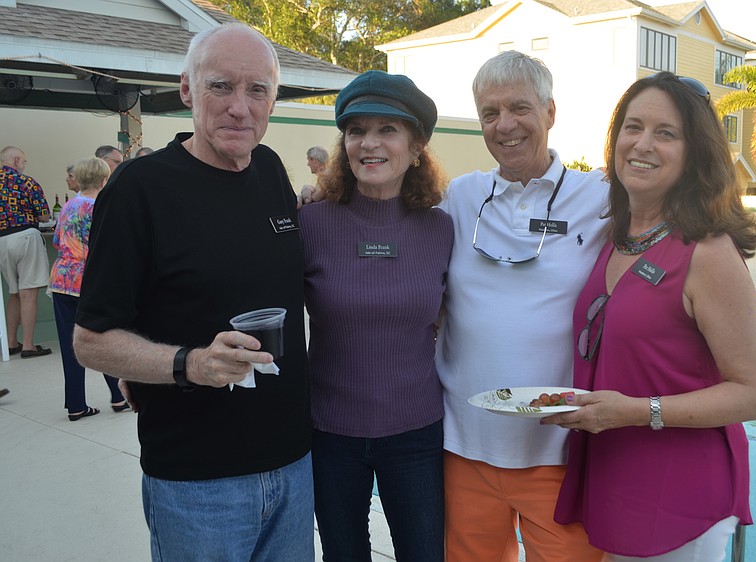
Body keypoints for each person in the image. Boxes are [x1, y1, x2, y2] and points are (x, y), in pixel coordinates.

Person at [73, 23, 314, 561]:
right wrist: (190, 363)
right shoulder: (139, 189)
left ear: (273, 99)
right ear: (187, 89)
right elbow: (91, 340)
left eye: (257, 90)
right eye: (220, 86)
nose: (239, 108)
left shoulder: (271, 169)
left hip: (293, 465)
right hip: (197, 483)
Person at [541, 72, 756, 561]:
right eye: (633, 127)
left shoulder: (708, 253)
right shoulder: (615, 239)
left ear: (695, 154)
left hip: (681, 491)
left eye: (665, 133)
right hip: (617, 477)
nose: (643, 144)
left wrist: (633, 411)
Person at [436, 51, 608, 561]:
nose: (504, 125)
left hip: (558, 449)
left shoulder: (600, 197)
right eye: (490, 113)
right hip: (463, 446)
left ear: (550, 112)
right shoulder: (459, 196)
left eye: (519, 108)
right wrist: (321, 197)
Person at [299, 70, 453, 561]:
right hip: (330, 432)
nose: (369, 143)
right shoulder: (308, 224)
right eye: (356, 130)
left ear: (417, 145)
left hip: (416, 432)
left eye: (388, 129)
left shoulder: (442, 229)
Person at [50, 157, 128, 421]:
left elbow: (57, 241)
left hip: (62, 280)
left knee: (70, 344)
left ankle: (76, 404)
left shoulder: (68, 206)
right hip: (90, 280)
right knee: (103, 339)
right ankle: (118, 396)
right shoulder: (102, 207)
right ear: (104, 179)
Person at [0, 145, 52, 358]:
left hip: (2, 240)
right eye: (24, 160)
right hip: (25, 237)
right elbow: (44, 215)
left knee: (14, 293)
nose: (24, 164)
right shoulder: (27, 182)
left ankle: (11, 342)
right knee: (28, 293)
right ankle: (28, 346)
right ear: (17, 160)